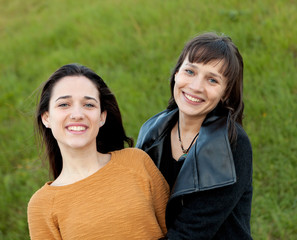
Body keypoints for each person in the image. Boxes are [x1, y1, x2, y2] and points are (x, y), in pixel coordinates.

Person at [27, 63, 169, 240]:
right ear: (46, 117)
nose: (77, 114)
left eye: (88, 105)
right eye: (64, 104)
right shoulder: (42, 205)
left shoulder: (136, 161)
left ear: (102, 117)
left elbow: (178, 231)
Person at [136, 32, 253, 239]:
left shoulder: (231, 144)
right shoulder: (151, 132)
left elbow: (190, 233)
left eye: (212, 80)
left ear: (225, 93)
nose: (196, 87)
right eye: (190, 71)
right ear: (176, 74)